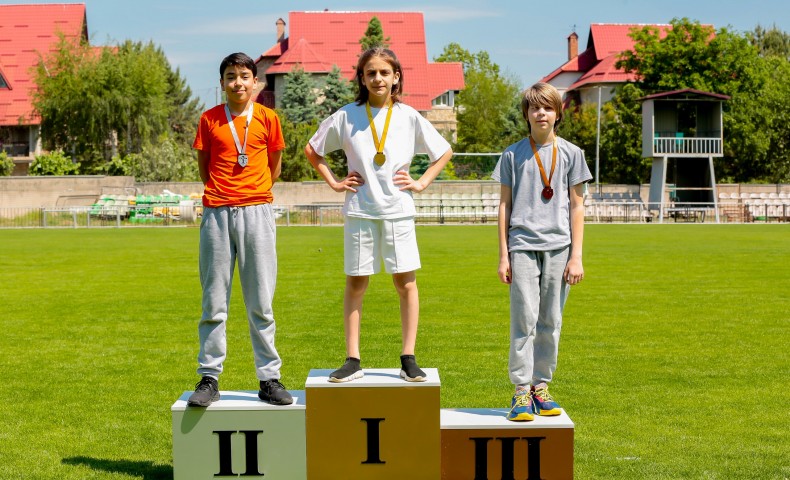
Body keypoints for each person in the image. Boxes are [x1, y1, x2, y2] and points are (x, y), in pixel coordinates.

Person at [304, 47, 452, 383]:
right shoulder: (346, 116)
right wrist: (335, 182)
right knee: (356, 283)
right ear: (362, 78)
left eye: (385, 72)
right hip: (360, 210)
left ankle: (409, 357)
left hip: (398, 211)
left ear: (396, 76)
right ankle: (353, 359)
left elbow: (443, 151)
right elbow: (312, 150)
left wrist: (422, 181)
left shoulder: (409, 116)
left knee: (406, 283)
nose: (378, 78)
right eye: (371, 73)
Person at [187, 52, 292, 407]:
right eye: (231, 76)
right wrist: (224, 195)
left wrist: (250, 193)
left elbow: (274, 166)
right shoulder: (209, 120)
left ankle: (269, 378)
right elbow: (205, 167)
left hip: (257, 212)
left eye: (245, 76)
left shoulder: (268, 119)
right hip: (217, 213)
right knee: (214, 301)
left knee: (260, 301)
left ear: (255, 82)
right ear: (222, 83)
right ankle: (209, 377)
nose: (238, 82)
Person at [492, 82, 592, 421]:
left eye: (547, 107)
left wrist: (576, 255)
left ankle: (541, 386)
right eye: (534, 108)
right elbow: (504, 206)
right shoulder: (512, 154)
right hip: (522, 246)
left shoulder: (572, 154)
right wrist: (504, 254)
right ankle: (521, 391)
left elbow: (577, 207)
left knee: (551, 320)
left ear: (557, 113)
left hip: (559, 248)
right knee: (524, 320)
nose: (541, 113)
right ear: (526, 114)